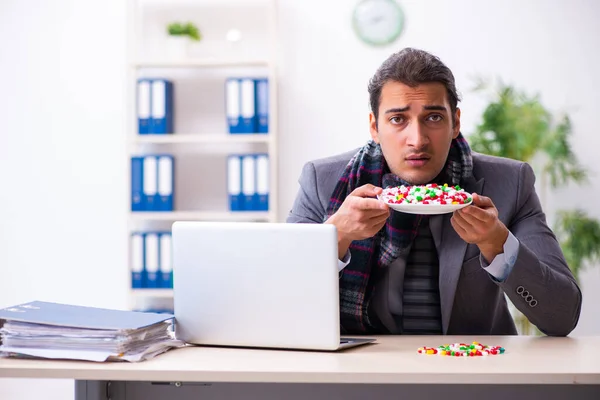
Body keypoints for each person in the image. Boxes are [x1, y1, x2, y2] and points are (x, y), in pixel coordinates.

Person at [286, 48, 582, 336]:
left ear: (456, 123)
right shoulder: (322, 181)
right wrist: (334, 238)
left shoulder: (509, 182)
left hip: (474, 372)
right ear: (375, 127)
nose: (417, 140)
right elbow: (279, 301)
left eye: (434, 118)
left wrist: (497, 244)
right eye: (398, 119)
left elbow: (561, 317)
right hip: (360, 371)